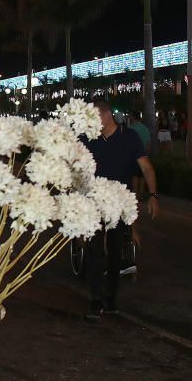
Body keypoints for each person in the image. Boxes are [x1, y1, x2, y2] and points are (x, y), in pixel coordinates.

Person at [82, 99, 159, 322]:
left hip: (118, 203)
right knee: (95, 250)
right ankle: (95, 299)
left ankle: (110, 298)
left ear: (106, 116)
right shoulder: (87, 138)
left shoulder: (129, 137)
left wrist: (153, 196)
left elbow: (146, 167)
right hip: (93, 202)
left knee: (115, 250)